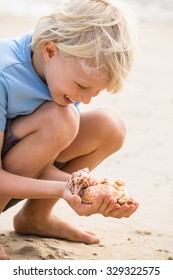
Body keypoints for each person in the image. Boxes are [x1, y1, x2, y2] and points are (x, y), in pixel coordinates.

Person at [0, 0, 139, 260]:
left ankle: (35, 217)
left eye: (95, 92)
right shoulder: (4, 74)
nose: (85, 100)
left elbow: (39, 160)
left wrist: (86, 188)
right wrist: (61, 189)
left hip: (13, 169)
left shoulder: (61, 69)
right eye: (82, 87)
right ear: (50, 51)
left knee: (109, 125)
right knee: (60, 119)